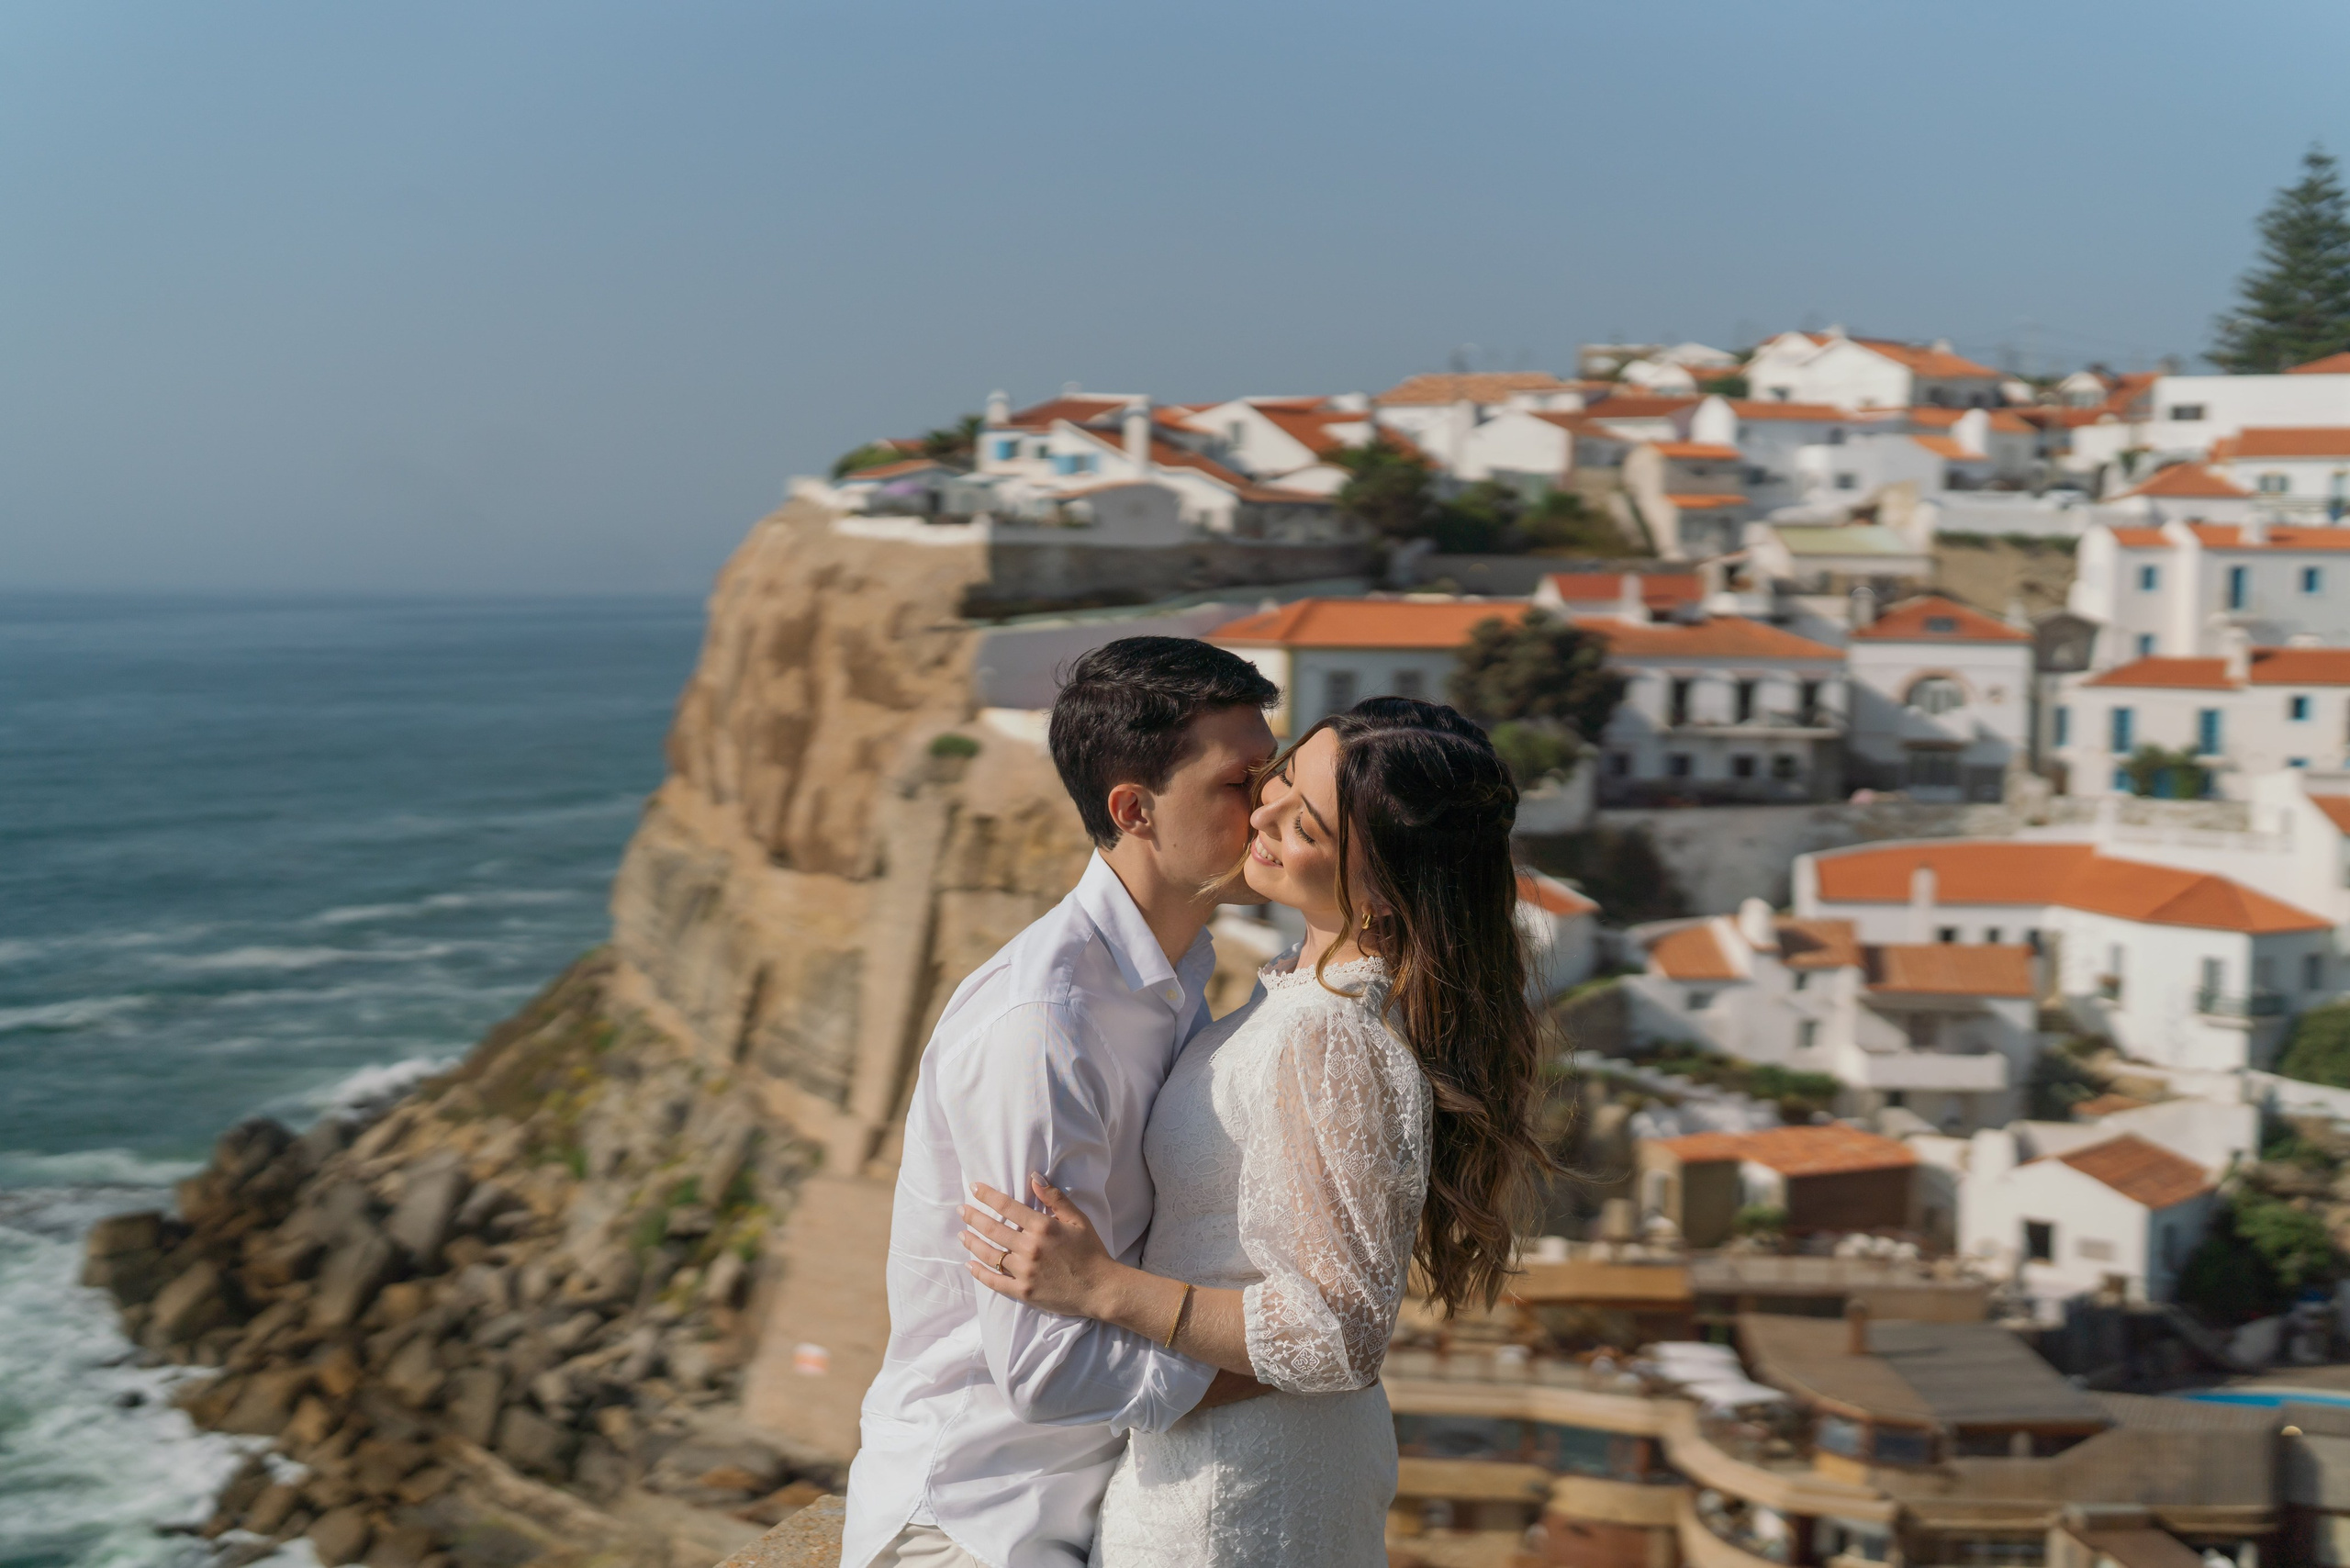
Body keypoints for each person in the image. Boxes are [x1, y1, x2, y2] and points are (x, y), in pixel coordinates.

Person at [959, 696, 1552, 1566]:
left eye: (1305, 825)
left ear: (1383, 892)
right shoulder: (1304, 999)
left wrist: (1104, 1289)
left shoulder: (1330, 1035)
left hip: (1242, 1494)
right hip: (1233, 1464)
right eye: (1279, 781)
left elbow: (1337, 1332)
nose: (1262, 815)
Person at [839, 636, 1282, 1568]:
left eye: (1271, 774)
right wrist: (1277, 1366)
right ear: (1134, 810)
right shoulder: (1049, 1028)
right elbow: (1044, 1367)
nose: (1271, 806)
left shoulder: (1171, 975)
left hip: (1075, 1504)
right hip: (975, 1523)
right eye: (1239, 783)